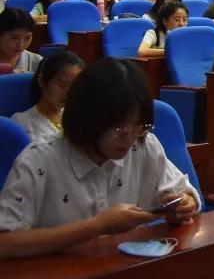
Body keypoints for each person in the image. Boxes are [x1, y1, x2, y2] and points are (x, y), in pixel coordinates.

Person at [0, 58, 200, 259]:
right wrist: (97, 226)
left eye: (139, 126)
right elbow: (5, 243)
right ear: (88, 120)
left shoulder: (142, 145)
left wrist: (185, 204)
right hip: (58, 274)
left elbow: (184, 193)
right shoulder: (40, 160)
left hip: (124, 268)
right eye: (119, 130)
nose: (129, 139)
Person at [10, 52, 84, 142]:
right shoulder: (21, 123)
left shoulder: (76, 116)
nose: (69, 93)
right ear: (42, 81)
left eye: (74, 86)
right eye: (62, 85)